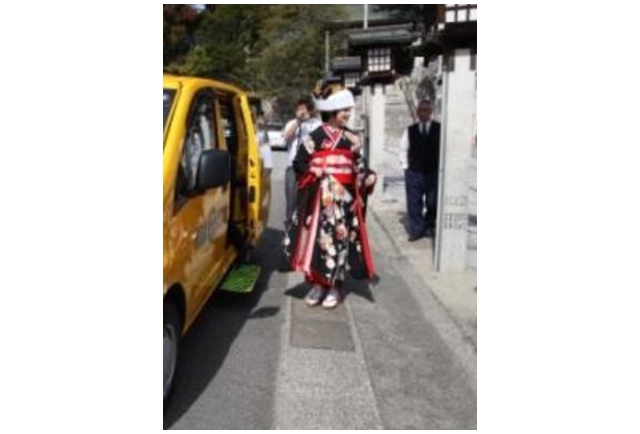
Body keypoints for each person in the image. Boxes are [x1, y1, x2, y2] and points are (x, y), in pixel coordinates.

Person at [291, 81, 377, 309]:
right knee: (319, 242)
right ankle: (318, 284)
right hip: (321, 198)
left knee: (339, 242)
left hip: (344, 198)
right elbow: (299, 162)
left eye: (348, 110)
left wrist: (367, 177)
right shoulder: (315, 137)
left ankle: (335, 286)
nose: (348, 114)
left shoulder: (352, 139)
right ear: (331, 111)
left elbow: (359, 166)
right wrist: (314, 170)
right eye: (344, 110)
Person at [399, 99, 441, 242]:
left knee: (432, 202)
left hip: (433, 173)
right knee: (414, 202)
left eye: (426, 110)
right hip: (414, 172)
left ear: (431, 112)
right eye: (421, 110)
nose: (423, 113)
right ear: (417, 113)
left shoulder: (439, 129)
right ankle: (417, 230)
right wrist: (405, 167)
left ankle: (429, 226)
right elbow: (403, 149)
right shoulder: (410, 130)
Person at [283, 99, 322, 226]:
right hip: (292, 168)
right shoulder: (292, 123)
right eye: (298, 109)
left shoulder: (317, 125)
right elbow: (286, 138)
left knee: (308, 202)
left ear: (310, 111)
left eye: (303, 109)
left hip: (310, 168)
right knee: (291, 200)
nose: (300, 112)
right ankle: (289, 227)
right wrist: (298, 122)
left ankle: (305, 228)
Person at [255, 111, 273, 177]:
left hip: (265, 164)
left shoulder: (264, 133)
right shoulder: (255, 134)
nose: (261, 120)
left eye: (262, 118)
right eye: (259, 118)